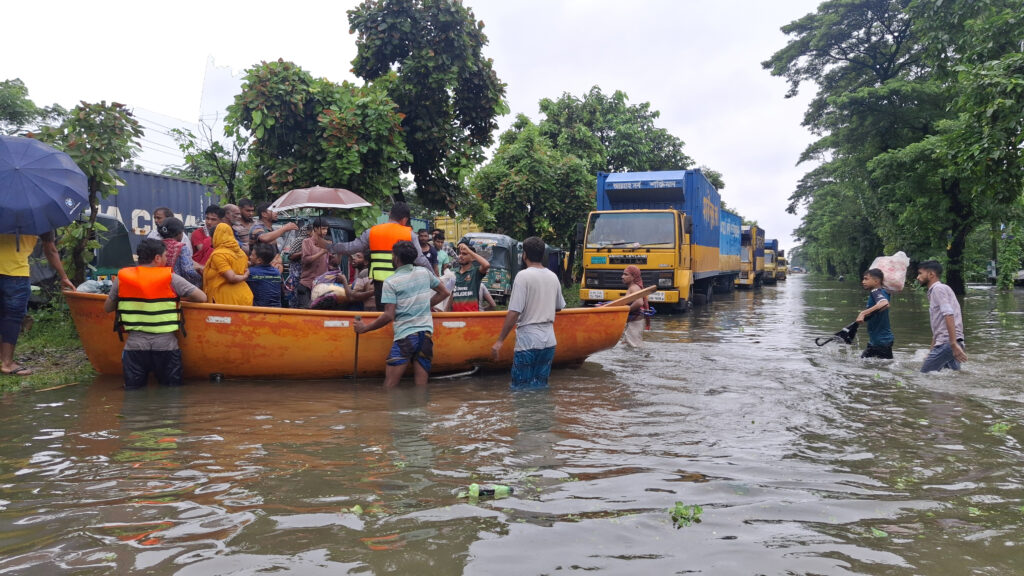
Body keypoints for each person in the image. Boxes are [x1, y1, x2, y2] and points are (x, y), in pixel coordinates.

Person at [103, 238, 207, 389]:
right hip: (166, 348)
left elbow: (107, 308)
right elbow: (201, 297)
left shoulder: (122, 279)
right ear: (157, 258)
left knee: (133, 395)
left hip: (135, 348)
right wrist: (174, 296)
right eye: (165, 256)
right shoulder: (171, 278)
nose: (166, 259)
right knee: (171, 395)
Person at [354, 241, 450, 388]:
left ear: (397, 258)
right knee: (421, 388)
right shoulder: (424, 272)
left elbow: (388, 315)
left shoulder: (391, 282)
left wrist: (364, 328)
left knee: (389, 386)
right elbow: (444, 293)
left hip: (405, 337)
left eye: (392, 255)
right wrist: (425, 305)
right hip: (425, 335)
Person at [491, 236, 566, 389]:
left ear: (524, 255)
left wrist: (499, 341)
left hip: (528, 341)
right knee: (541, 386)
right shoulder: (553, 277)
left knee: (520, 388)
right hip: (549, 341)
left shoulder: (523, 276)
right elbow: (558, 307)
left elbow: (514, 312)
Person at [328, 202, 434, 309]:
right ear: (405, 219)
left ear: (390, 213)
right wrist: (434, 277)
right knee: (401, 316)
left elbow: (351, 248)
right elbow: (420, 260)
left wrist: (329, 247)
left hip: (380, 285)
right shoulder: (409, 234)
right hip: (403, 284)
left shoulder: (372, 232)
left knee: (384, 316)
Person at [1, 231, 75, 376]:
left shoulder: (3, 211)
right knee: (12, 319)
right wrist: (63, 276)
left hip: (16, 275)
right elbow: (51, 250)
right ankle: (6, 363)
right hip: (16, 274)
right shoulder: (37, 217)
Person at [917, 260, 967, 372]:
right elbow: (938, 327)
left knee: (924, 375)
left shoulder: (938, 289)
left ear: (931, 274)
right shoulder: (936, 291)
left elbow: (949, 315)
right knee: (954, 377)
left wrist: (953, 344)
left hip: (947, 343)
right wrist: (931, 350)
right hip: (949, 342)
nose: (917, 277)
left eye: (920, 273)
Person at [202, 223, 253, 305]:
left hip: (226, 300)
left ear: (216, 237)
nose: (210, 240)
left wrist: (245, 276)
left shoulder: (219, 255)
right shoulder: (241, 253)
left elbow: (231, 277)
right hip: (244, 297)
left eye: (211, 237)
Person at [856, 268, 893, 359]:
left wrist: (863, 313)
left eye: (866, 279)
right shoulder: (884, 292)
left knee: (864, 364)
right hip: (880, 340)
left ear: (876, 281)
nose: (863, 281)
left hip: (881, 341)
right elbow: (881, 307)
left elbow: (884, 304)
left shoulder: (875, 292)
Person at [296, 218, 331, 308]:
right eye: (323, 228)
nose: (325, 231)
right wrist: (321, 252)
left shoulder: (326, 243)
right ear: (315, 229)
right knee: (305, 313)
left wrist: (339, 253)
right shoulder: (307, 242)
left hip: (321, 285)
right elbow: (305, 260)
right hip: (307, 284)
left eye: (326, 229)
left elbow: (334, 262)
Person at [157, 217, 201, 286]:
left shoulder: (157, 245)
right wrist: (200, 280)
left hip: (159, 284)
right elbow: (188, 270)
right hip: (176, 287)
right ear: (179, 233)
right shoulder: (182, 248)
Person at [450, 240, 490, 312]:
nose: (460, 256)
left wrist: (469, 251)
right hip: (455, 316)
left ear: (473, 258)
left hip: (472, 316)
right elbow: (451, 296)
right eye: (460, 253)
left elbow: (486, 265)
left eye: (465, 254)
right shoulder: (453, 272)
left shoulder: (475, 272)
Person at [620, 265, 649, 348]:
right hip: (633, 321)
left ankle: (638, 360)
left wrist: (626, 310)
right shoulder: (632, 288)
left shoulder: (634, 288)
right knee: (626, 344)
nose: (622, 277)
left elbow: (639, 302)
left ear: (633, 277)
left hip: (635, 322)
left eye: (626, 275)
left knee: (634, 347)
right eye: (623, 274)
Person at [247, 242, 282, 307]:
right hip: (276, 309)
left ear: (259, 260)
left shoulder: (251, 273)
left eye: (252, 255)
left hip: (260, 310)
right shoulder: (276, 272)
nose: (250, 257)